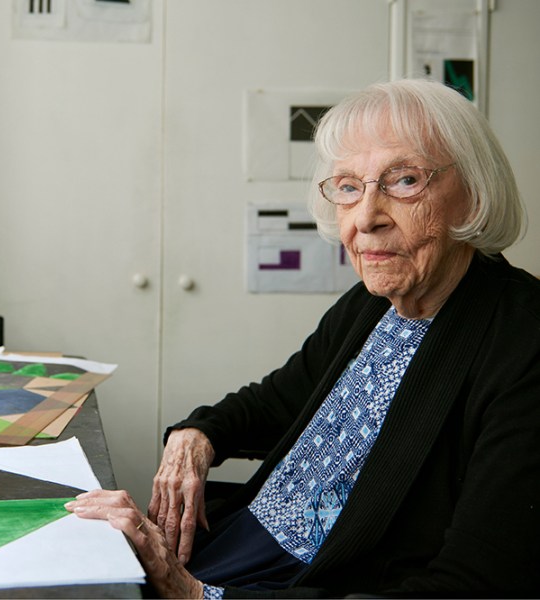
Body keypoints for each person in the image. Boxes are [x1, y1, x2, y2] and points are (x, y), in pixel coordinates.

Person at [65, 79, 540, 597]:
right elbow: (274, 401)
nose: (365, 218)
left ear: (473, 193)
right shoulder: (373, 303)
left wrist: (194, 594)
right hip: (233, 551)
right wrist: (196, 437)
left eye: (404, 181)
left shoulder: (523, 341)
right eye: (348, 187)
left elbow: (475, 583)